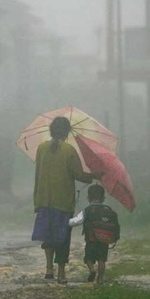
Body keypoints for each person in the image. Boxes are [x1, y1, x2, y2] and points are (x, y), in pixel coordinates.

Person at [32, 116, 102, 284]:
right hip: (62, 202)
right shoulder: (69, 150)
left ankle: (49, 269)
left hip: (43, 199)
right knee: (62, 238)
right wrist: (95, 176)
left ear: (51, 130)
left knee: (47, 236)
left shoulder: (41, 148)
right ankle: (61, 273)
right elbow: (79, 175)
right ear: (67, 132)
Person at [69, 184, 118, 285]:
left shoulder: (87, 210)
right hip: (104, 241)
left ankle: (92, 270)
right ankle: (100, 279)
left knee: (88, 259)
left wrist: (64, 222)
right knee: (102, 260)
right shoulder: (109, 210)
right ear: (103, 198)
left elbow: (77, 221)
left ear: (88, 198)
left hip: (91, 240)